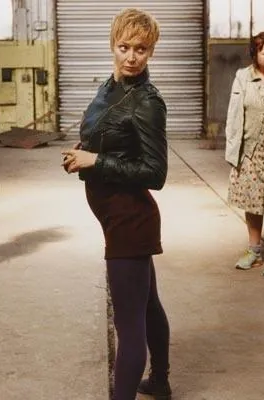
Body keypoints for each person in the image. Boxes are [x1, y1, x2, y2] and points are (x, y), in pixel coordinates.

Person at [62, 8, 171, 400]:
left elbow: (155, 173)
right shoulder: (110, 87)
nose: (132, 57)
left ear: (151, 51)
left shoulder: (147, 102)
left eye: (141, 49)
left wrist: (96, 161)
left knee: (129, 327)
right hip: (116, 218)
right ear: (113, 45)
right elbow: (106, 131)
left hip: (130, 221)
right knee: (148, 305)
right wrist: (84, 149)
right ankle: (160, 382)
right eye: (124, 47)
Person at [225, 32, 264, 278]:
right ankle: (254, 251)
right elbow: (234, 116)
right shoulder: (243, 77)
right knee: (253, 203)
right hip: (252, 151)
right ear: (255, 55)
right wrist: (234, 152)